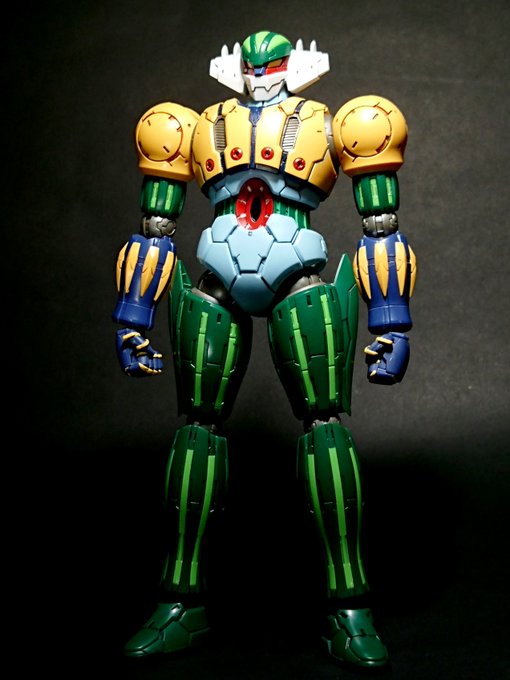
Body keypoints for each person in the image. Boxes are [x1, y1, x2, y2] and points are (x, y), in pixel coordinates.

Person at [112, 29, 416, 670]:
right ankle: (180, 602)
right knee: (197, 430)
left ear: (291, 66)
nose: (260, 75)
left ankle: (348, 607)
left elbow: (381, 226)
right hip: (216, 281)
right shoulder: (191, 126)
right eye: (253, 66)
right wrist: (134, 313)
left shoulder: (336, 123)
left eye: (273, 64)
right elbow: (156, 227)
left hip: (299, 278)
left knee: (325, 426)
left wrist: (390, 320)